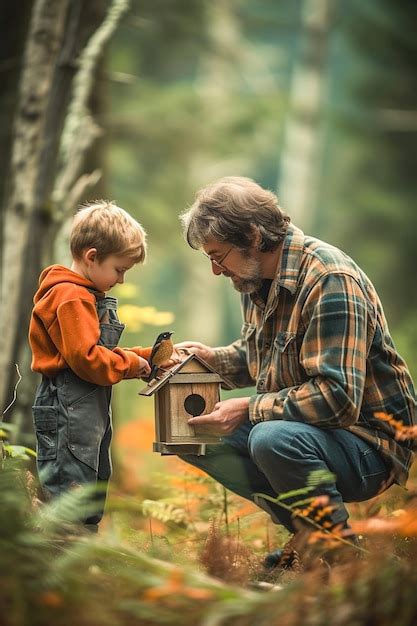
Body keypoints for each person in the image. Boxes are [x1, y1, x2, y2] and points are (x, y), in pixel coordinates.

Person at [176, 176, 416, 563]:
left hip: (369, 444)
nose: (216, 270)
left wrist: (248, 408)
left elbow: (338, 400)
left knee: (271, 438)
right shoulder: (255, 280)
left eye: (217, 255)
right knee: (188, 435)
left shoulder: (330, 279)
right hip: (310, 430)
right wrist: (207, 359)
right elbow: (257, 359)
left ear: (253, 236)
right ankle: (309, 536)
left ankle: (339, 556)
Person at [29, 201, 174, 531]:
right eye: (119, 269)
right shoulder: (70, 296)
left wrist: (148, 356)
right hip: (68, 402)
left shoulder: (84, 294)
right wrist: (129, 364)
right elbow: (86, 359)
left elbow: (97, 351)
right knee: (71, 487)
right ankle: (63, 555)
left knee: (91, 480)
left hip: (85, 404)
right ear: (92, 257)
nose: (121, 280)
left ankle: (80, 552)